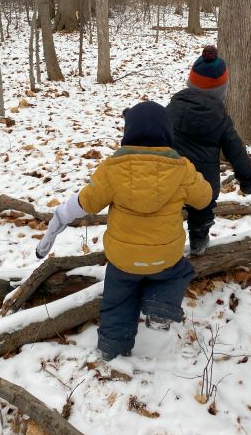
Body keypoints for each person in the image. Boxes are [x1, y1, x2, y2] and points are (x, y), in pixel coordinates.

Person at [36, 100, 212, 360]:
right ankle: (160, 306)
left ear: (128, 134)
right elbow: (204, 198)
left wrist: (59, 218)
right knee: (179, 270)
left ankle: (112, 348)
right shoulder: (182, 169)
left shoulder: (112, 169)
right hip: (165, 256)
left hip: (122, 260)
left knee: (117, 301)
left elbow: (85, 202)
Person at [167, 45, 251, 255]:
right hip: (203, 184)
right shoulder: (221, 119)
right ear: (221, 91)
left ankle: (167, 248)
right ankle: (199, 244)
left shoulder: (172, 107)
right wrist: (248, 179)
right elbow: (236, 152)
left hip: (170, 177)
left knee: (168, 210)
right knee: (201, 212)